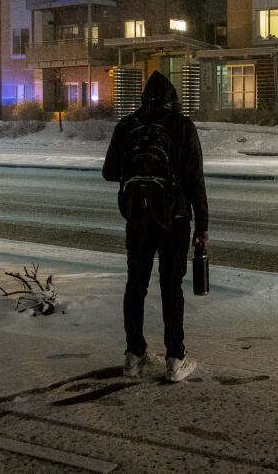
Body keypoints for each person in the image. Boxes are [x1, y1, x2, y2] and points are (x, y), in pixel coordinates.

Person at [103, 71, 208, 383]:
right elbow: (195, 181)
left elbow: (109, 172)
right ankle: (175, 359)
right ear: (172, 99)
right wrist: (202, 225)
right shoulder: (182, 126)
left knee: (135, 285)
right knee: (170, 287)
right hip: (174, 219)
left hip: (137, 218)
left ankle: (133, 356)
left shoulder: (127, 126)